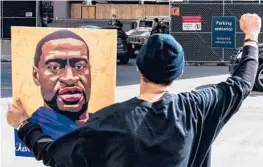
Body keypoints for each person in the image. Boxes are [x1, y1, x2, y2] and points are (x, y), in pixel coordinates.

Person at [6, 13, 261, 167]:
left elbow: (55, 155)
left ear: (139, 69)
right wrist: (251, 36)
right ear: (179, 73)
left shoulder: (107, 122)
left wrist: (23, 125)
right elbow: (242, 83)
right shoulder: (197, 108)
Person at [21, 29, 92, 139]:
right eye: (54, 67)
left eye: (79, 66)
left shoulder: (102, 126)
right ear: (36, 75)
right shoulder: (36, 129)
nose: (70, 78)